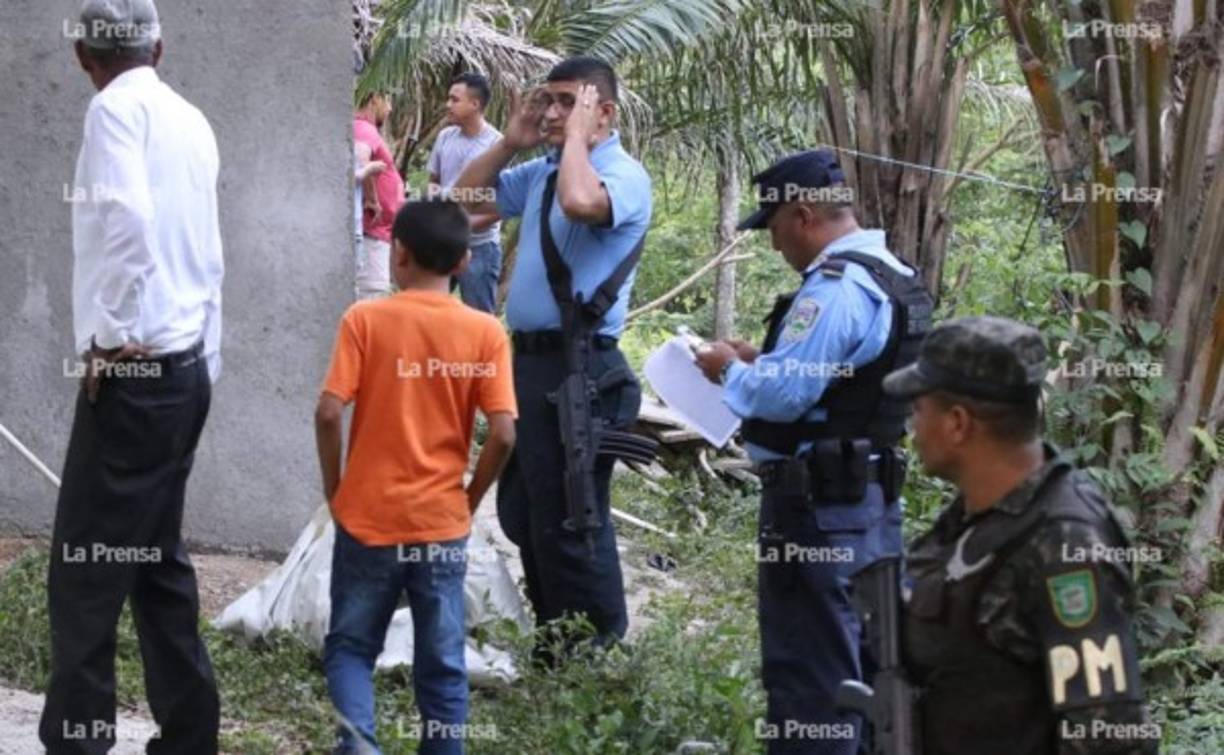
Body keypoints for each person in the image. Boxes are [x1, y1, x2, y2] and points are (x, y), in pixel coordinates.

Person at [694, 149, 934, 754]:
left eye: (774, 229)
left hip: (817, 512)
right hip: (870, 505)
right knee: (869, 664)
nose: (775, 245)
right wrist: (761, 361)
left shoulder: (835, 285)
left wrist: (730, 372)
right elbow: (843, 381)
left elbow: (786, 394)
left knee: (810, 671)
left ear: (803, 215)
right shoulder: (893, 275)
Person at [43, 1, 224, 752]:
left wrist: (111, 342)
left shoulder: (114, 113)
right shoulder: (190, 118)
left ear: (84, 53)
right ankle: (189, 735)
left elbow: (127, 224)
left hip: (140, 374)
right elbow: (205, 254)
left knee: (84, 571)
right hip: (185, 369)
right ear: (159, 44)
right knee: (154, 560)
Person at [878, 316, 1156, 754]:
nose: (912, 427)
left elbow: (1110, 736)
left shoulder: (1066, 545)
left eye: (918, 410)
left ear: (957, 423)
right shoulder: (975, 517)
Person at [451, 57, 652, 655]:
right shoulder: (541, 169)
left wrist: (577, 139)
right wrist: (511, 140)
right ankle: (555, 634)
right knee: (528, 509)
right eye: (550, 101)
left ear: (604, 113)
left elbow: (579, 203)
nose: (554, 113)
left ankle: (595, 643)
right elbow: (461, 203)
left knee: (573, 510)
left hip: (581, 365)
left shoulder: (622, 175)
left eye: (570, 102)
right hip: (534, 363)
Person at [314, 200, 517, 754]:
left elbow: (330, 412)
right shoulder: (484, 333)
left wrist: (336, 490)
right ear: (462, 264)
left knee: (352, 648)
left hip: (368, 519)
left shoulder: (365, 319)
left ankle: (360, 748)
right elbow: (503, 433)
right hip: (439, 525)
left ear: (398, 254)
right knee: (443, 664)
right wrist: (469, 502)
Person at [426, 73, 503, 312]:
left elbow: (502, 204)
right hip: (441, 243)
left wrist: (462, 224)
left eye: (454, 99)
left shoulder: (497, 145)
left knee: (479, 319)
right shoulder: (445, 137)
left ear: (475, 104)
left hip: (480, 247)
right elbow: (434, 182)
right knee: (427, 312)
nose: (448, 105)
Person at [354, 90, 406, 299]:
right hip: (371, 233)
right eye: (388, 101)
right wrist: (372, 199)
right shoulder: (365, 128)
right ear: (375, 98)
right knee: (371, 297)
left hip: (376, 233)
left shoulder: (362, 128)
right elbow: (359, 158)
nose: (391, 108)